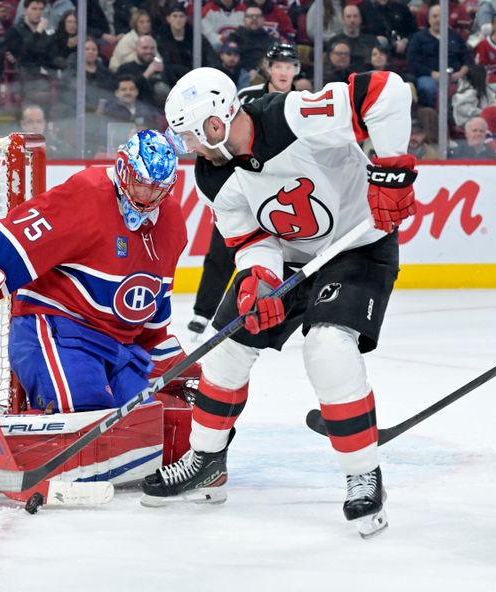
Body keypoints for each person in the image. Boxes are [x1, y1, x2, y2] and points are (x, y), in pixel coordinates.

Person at [146, 67, 417, 539]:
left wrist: (391, 169)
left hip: (357, 247)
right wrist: (258, 279)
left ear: (215, 123)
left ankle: (362, 473)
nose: (189, 147)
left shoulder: (294, 115)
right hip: (289, 260)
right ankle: (206, 460)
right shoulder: (212, 175)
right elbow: (250, 236)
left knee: (328, 349)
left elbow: (385, 90)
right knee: (226, 347)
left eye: (191, 135)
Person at [0, 130, 197, 501]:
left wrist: (163, 359)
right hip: (56, 329)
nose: (145, 197)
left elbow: (153, 302)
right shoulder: (87, 196)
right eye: (139, 184)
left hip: (119, 347)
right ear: (123, 168)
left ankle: (29, 440)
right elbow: (10, 242)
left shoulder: (172, 223)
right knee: (89, 417)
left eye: (157, 189)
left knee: (150, 418)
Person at [188, 41, 299, 338]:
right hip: (235, 187)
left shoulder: (300, 101)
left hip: (277, 195)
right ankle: (203, 310)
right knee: (224, 249)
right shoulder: (246, 98)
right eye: (278, 66)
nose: (284, 71)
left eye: (290, 66)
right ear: (268, 68)